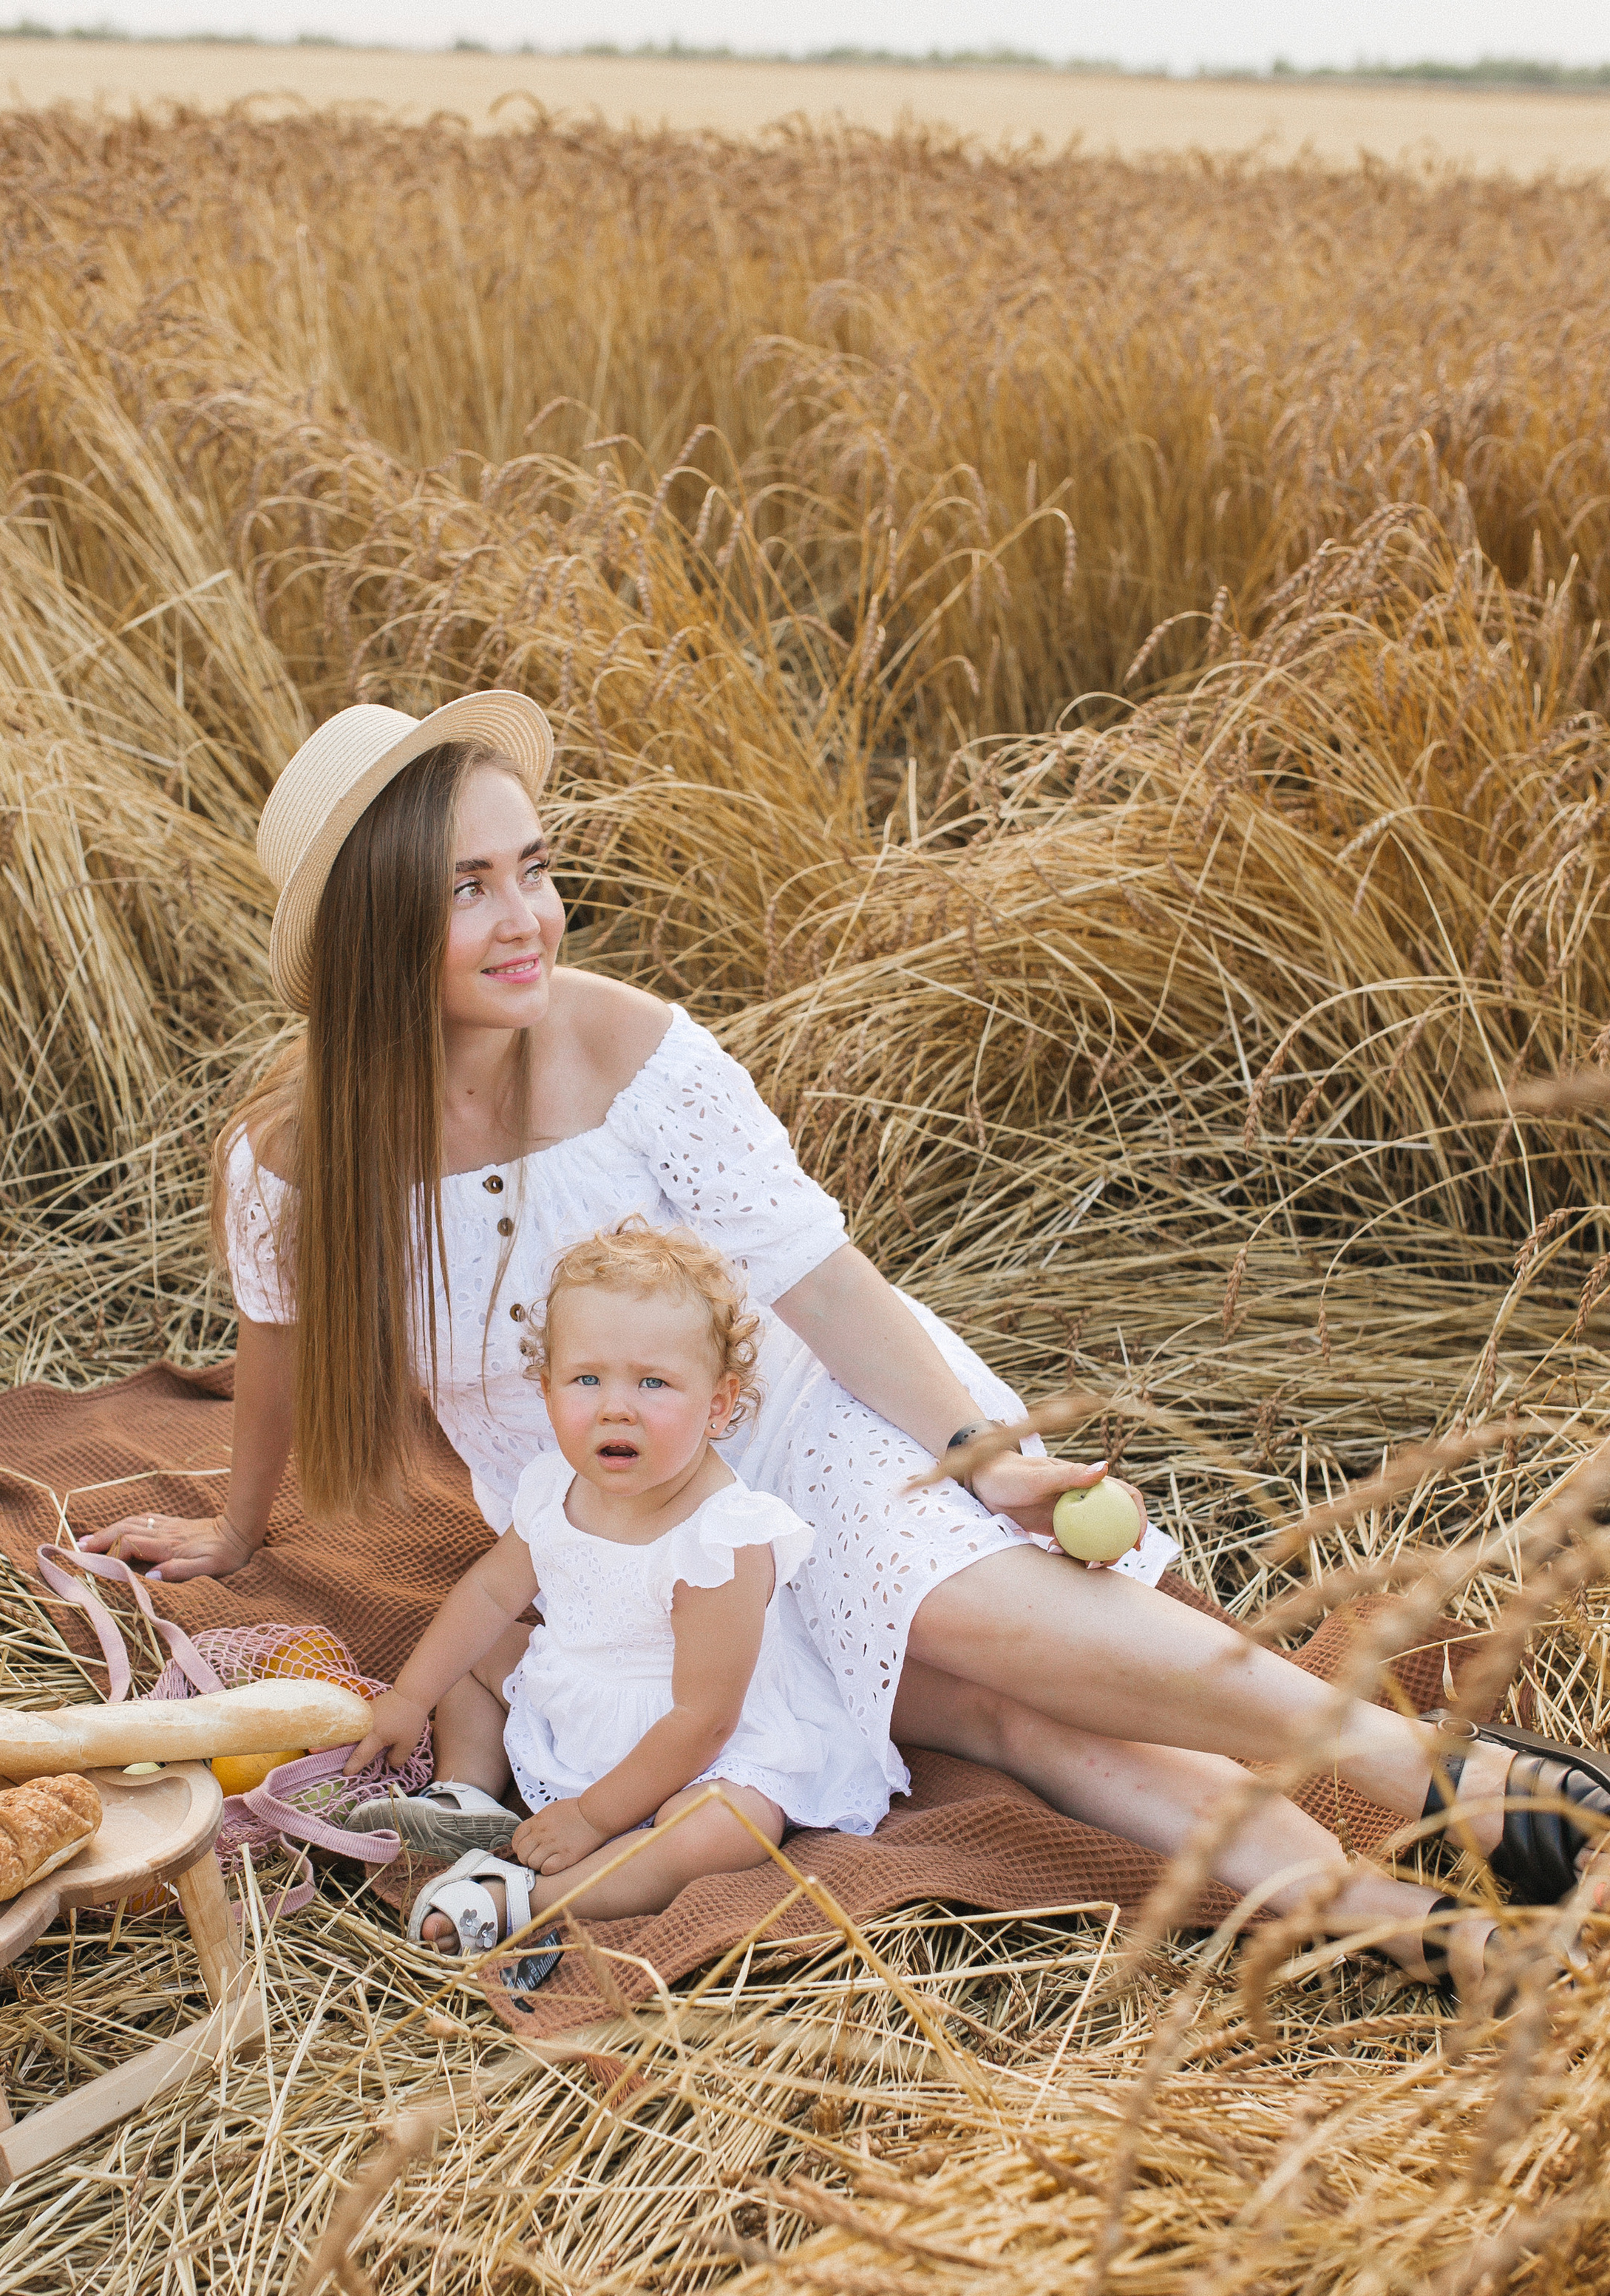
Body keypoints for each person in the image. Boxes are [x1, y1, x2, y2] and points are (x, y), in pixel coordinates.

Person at [85, 689, 1610, 2004]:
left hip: (800, 1405)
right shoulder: (292, 1157)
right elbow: (272, 1348)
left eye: (533, 870)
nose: (526, 918)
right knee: (1000, 1717)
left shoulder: (635, 1054)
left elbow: (818, 1283)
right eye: (468, 887)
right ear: (373, 928)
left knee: (941, 1601)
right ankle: (1368, 1917)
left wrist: (981, 1458)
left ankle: (1443, 1778)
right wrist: (231, 1525)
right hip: (620, 1507)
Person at [336, 1220, 900, 1963]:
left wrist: (593, 1817)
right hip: (582, 1691)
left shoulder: (722, 1540)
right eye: (586, 1379)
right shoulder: (553, 1488)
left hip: (700, 1743)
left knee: (726, 1825)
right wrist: (409, 1696)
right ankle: (466, 1793)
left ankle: (531, 1899)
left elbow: (704, 1718)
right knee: (477, 1659)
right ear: (546, 1391)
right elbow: (486, 1596)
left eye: (654, 1382)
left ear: (719, 1405)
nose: (615, 1407)